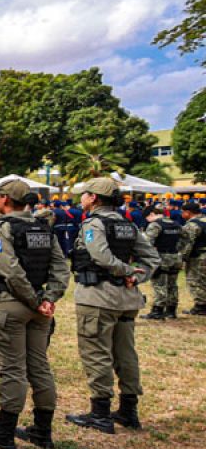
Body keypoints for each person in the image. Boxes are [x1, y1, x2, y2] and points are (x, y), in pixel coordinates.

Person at [0, 180, 70, 449]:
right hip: (38, 308)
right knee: (39, 367)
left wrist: (36, 299)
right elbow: (61, 268)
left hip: (11, 305)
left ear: (4, 199)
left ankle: (4, 435)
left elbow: (10, 271)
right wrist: (48, 298)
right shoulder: (43, 229)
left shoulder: (2, 229)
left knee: (13, 370)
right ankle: (42, 431)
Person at [66, 177, 159, 433]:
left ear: (94, 198)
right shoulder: (127, 225)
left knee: (96, 353)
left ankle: (100, 414)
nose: (82, 197)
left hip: (99, 297)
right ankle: (129, 410)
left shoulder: (94, 223)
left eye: (85, 193)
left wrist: (125, 270)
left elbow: (100, 255)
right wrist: (135, 276)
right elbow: (152, 257)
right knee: (125, 354)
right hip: (126, 298)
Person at [142, 202, 182, 320]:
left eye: (147, 218)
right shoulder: (175, 224)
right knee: (172, 285)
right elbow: (184, 240)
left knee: (159, 284)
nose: (148, 221)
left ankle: (157, 311)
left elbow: (147, 244)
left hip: (161, 258)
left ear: (152, 214)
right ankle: (171, 310)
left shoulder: (155, 225)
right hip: (175, 257)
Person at [178, 201, 206, 315]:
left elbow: (187, 244)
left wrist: (181, 259)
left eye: (182, 212)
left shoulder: (192, 225)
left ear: (188, 213)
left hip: (198, 257)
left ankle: (201, 306)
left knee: (196, 280)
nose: (181, 214)